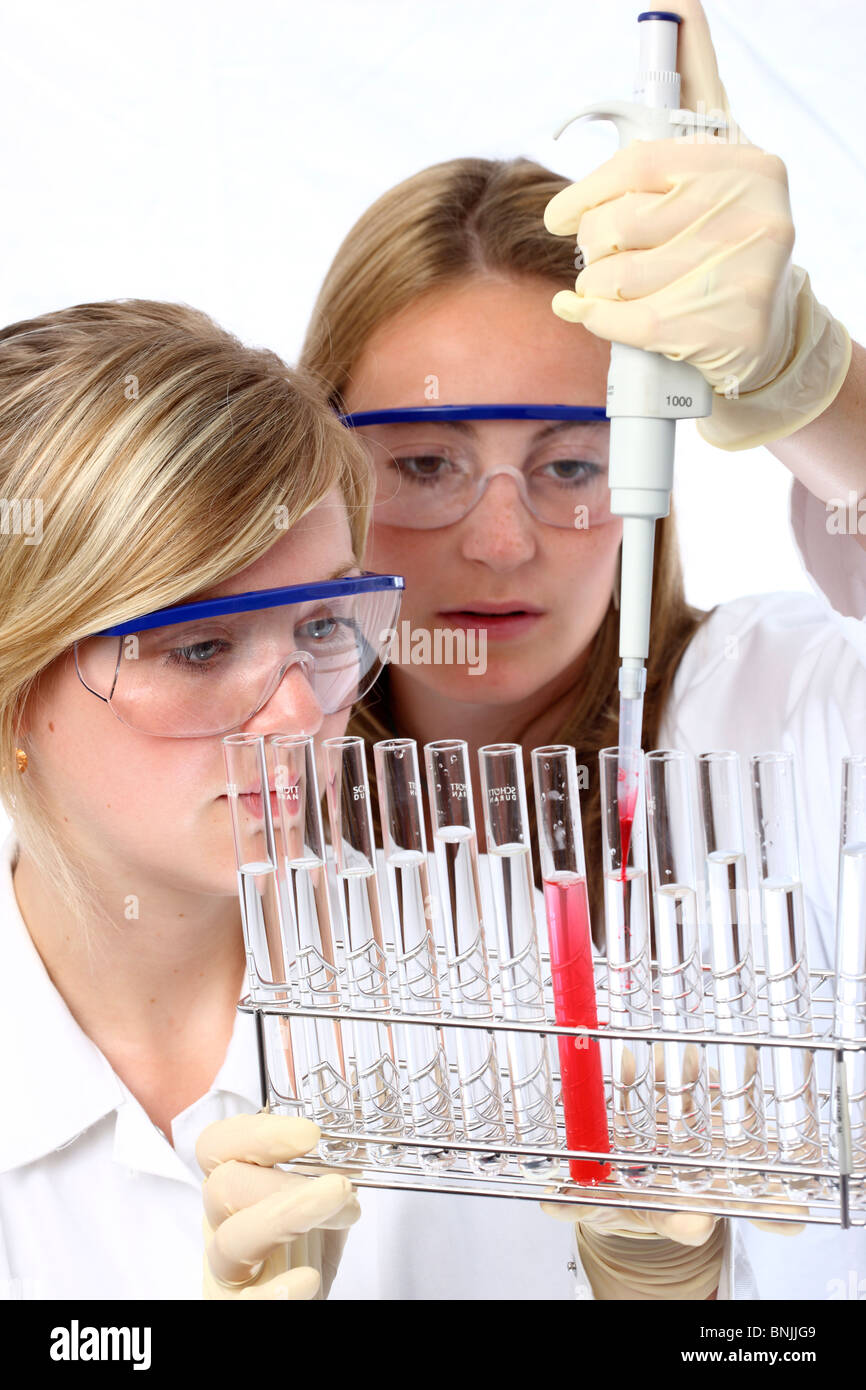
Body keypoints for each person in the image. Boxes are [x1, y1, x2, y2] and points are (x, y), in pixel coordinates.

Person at [292, 0, 866, 1299]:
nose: (501, 542)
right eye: (427, 462)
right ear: (318, 459)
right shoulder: (231, 793)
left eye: (568, 463)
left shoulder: (779, 704)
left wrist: (807, 380)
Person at [0, 298, 372, 1299]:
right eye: (201, 646)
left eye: (325, 623)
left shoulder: (489, 986)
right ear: (14, 691)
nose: (296, 713)